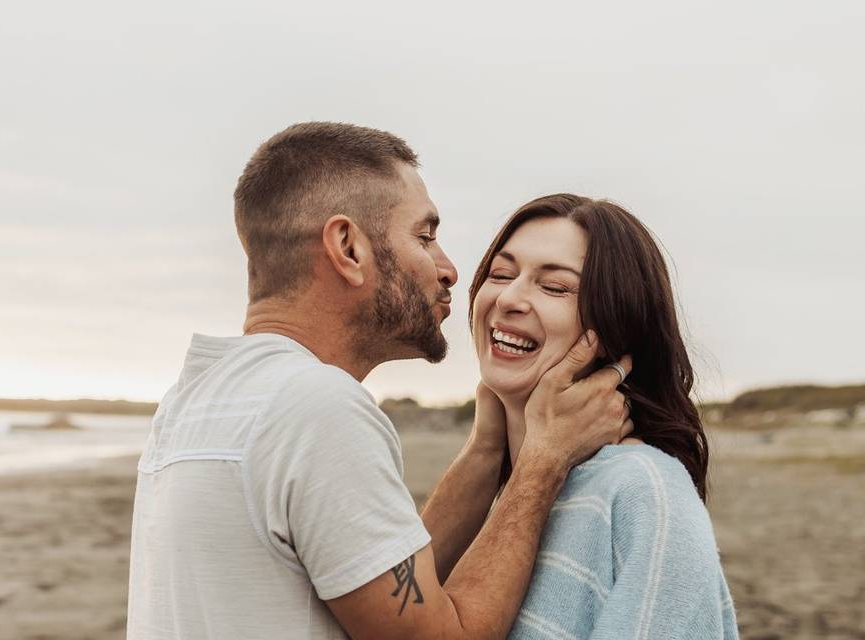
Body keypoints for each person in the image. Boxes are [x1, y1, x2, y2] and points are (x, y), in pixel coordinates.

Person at [125, 123, 633, 640]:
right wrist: (543, 461)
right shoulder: (317, 410)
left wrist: (485, 450)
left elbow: (379, 589)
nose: (450, 269)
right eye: (425, 236)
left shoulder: (197, 401)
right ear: (348, 248)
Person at [467, 194, 738, 639]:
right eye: (500, 274)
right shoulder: (499, 496)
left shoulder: (643, 489)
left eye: (554, 287)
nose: (509, 298)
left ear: (615, 327)